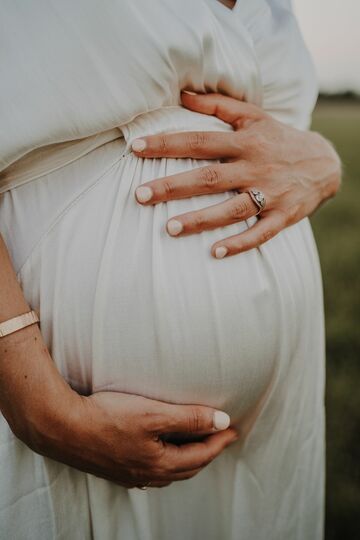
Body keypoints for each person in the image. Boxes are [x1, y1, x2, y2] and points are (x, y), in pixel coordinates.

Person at [0, 1, 341, 538]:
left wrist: (323, 161)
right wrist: (34, 403)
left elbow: (279, 133)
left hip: (270, 418)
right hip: (49, 385)